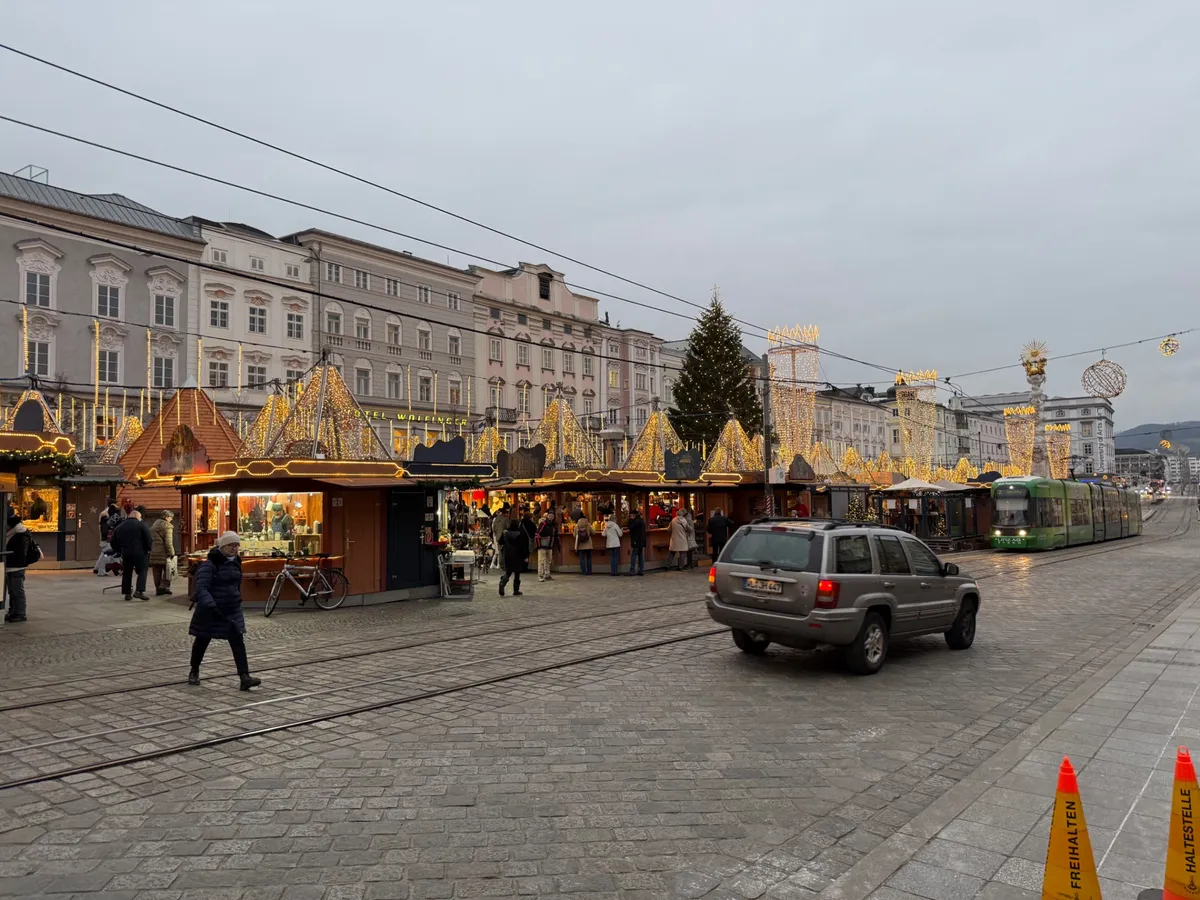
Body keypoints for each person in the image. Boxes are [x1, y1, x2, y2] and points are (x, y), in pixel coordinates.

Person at [188, 531, 260, 690]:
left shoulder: (236, 562)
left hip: (231, 609)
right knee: (202, 640)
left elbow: (235, 584)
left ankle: (244, 677)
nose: (235, 549)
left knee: (237, 641)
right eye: (231, 545)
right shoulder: (210, 564)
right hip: (211, 610)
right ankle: (194, 670)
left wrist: (237, 598)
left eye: (237, 545)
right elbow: (201, 588)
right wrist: (211, 605)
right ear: (222, 546)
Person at [5, 515, 40, 623]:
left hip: (16, 567)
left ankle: (20, 613)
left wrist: (9, 557)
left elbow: (20, 554)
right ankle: (13, 611)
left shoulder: (20, 535)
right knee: (12, 591)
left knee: (17, 590)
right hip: (12, 566)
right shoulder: (14, 533)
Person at [111, 509, 153, 602]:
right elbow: (148, 538)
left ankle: (127, 593)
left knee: (127, 572)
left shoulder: (120, 526)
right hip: (140, 553)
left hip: (126, 553)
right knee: (142, 571)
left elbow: (113, 541)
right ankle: (139, 591)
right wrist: (148, 549)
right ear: (137, 516)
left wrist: (119, 550)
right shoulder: (141, 525)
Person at [149, 510, 177, 596]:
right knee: (169, 570)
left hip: (154, 552)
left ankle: (158, 589)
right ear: (166, 517)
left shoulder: (154, 525)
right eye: (171, 517)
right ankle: (163, 587)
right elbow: (168, 542)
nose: (171, 519)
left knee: (156, 571)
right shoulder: (167, 527)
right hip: (163, 553)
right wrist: (172, 553)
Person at [498, 517, 526, 597]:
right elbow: (522, 546)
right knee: (517, 572)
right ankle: (516, 590)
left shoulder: (505, 532)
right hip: (517, 554)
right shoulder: (519, 534)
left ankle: (502, 583)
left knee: (509, 571)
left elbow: (500, 541)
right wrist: (525, 556)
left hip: (507, 553)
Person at [535, 512, 557, 582]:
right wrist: (539, 545)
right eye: (550, 516)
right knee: (541, 561)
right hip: (542, 545)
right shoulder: (543, 523)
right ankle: (540, 575)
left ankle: (547, 574)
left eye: (552, 516)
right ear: (547, 516)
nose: (551, 517)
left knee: (548, 561)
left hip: (549, 545)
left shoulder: (553, 525)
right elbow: (537, 534)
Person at [627, 509, 646, 576]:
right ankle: (641, 570)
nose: (630, 517)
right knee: (640, 555)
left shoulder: (635, 521)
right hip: (641, 540)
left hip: (636, 540)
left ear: (633, 515)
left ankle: (632, 570)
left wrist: (630, 520)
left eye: (630, 515)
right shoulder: (641, 520)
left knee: (634, 555)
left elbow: (630, 528)